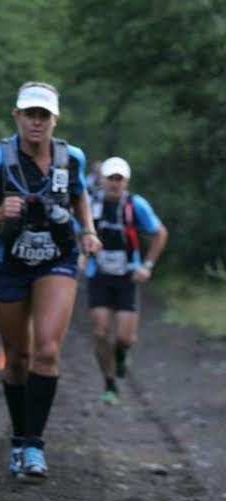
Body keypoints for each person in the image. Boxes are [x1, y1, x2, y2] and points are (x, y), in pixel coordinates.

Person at [0, 82, 102, 481]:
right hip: (10, 262)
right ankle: (19, 440)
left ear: (55, 119)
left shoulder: (71, 157)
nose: (36, 121)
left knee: (48, 351)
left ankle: (35, 446)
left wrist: (87, 230)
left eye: (44, 115)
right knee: (16, 357)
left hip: (57, 258)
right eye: (29, 114)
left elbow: (79, 196)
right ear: (16, 116)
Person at [84, 156, 168, 404]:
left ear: (126, 181)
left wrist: (147, 266)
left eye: (119, 179)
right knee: (100, 332)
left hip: (126, 276)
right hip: (98, 274)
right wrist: (80, 253)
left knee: (125, 338)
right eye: (110, 178)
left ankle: (121, 355)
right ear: (102, 180)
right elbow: (75, 230)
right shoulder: (90, 204)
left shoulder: (135, 205)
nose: (114, 183)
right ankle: (109, 384)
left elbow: (159, 232)